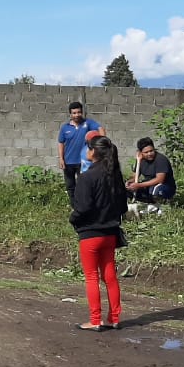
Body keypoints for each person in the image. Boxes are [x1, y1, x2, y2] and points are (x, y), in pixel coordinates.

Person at [69, 135, 129, 331]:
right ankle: (114, 318)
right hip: (110, 234)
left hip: (90, 234)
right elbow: (122, 206)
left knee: (91, 277)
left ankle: (95, 320)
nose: (86, 151)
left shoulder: (87, 177)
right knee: (110, 276)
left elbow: (82, 208)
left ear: (94, 152)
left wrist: (73, 219)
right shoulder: (115, 175)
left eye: (88, 148)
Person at [58, 102, 103, 205]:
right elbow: (61, 143)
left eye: (79, 112)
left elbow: (100, 128)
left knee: (84, 185)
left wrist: (102, 143)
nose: (77, 115)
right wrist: (61, 158)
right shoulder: (65, 128)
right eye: (74, 113)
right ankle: (74, 206)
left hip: (84, 162)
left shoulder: (88, 123)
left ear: (82, 112)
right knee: (70, 186)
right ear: (70, 114)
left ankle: (85, 205)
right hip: (68, 161)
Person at [127, 137, 175, 212]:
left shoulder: (161, 159)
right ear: (140, 153)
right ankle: (151, 204)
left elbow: (160, 179)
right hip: (149, 186)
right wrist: (130, 182)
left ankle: (164, 205)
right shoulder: (140, 160)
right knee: (128, 189)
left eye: (151, 151)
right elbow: (135, 176)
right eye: (146, 152)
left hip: (164, 186)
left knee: (155, 190)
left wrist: (139, 185)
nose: (149, 154)